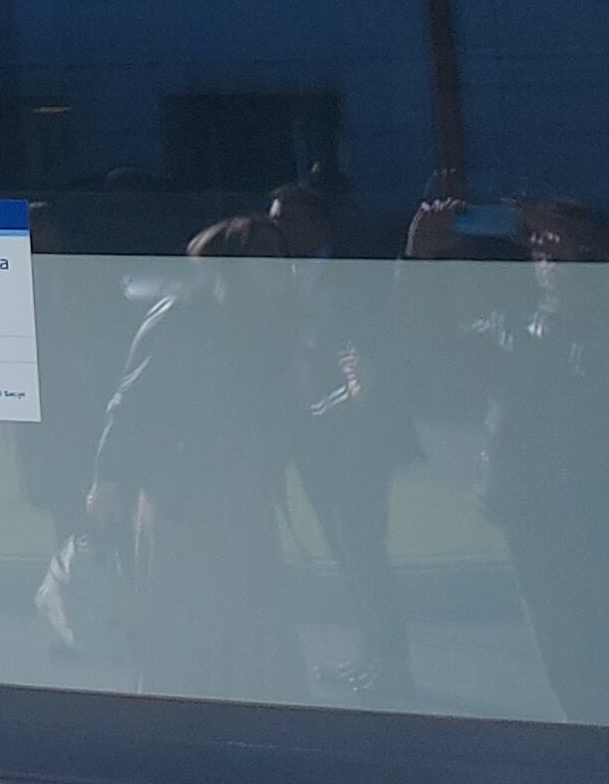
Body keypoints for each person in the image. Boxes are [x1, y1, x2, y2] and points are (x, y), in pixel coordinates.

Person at [420, 194, 609, 729]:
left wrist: (583, 267)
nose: (545, 256)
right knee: (575, 676)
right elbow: (426, 347)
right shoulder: (513, 324)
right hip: (538, 522)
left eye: (560, 245)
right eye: (539, 247)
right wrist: (421, 258)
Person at [82, 218, 304, 703]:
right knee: (179, 619)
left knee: (245, 615)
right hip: (181, 495)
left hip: (242, 491)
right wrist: (108, 480)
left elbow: (279, 411)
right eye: (265, 262)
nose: (278, 272)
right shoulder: (181, 317)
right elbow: (129, 403)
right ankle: (180, 711)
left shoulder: (267, 324)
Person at [270, 178, 415, 705]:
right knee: (346, 552)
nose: (277, 228)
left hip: (355, 444)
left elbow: (370, 364)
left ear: (316, 224)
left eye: (286, 218)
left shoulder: (351, 281)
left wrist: (334, 408)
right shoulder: (289, 280)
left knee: (364, 553)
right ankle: (370, 653)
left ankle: (393, 665)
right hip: (314, 442)